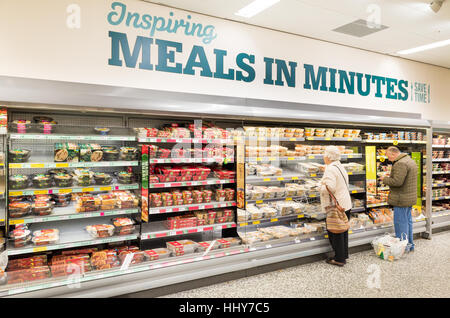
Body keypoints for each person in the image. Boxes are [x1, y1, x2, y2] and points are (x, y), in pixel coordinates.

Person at [380, 146, 417, 251]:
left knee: (400, 223)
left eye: (388, 156)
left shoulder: (400, 163)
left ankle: (402, 248)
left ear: (393, 154)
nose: (388, 158)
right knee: (408, 222)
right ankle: (409, 245)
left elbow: (397, 182)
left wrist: (385, 179)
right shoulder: (409, 160)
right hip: (408, 197)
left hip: (401, 198)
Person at [320, 146, 352, 267]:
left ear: (328, 157)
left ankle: (339, 259)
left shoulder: (330, 169)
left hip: (336, 205)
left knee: (335, 232)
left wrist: (321, 186)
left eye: (324, 154)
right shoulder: (340, 166)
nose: (323, 156)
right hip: (344, 203)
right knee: (343, 230)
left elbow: (330, 187)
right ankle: (343, 255)